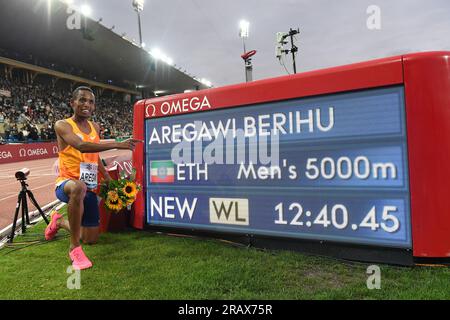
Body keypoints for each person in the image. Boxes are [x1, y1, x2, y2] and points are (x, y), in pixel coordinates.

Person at [44, 86, 141, 270]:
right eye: (82, 100)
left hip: (88, 186)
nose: (86, 104)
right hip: (67, 183)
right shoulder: (62, 125)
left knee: (91, 238)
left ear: (94, 106)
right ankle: (74, 248)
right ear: (72, 103)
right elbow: (81, 146)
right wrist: (117, 145)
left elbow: (94, 155)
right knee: (78, 187)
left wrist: (106, 178)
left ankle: (58, 221)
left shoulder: (95, 127)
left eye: (90, 101)